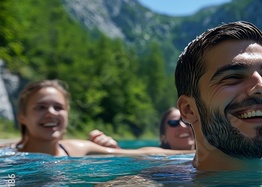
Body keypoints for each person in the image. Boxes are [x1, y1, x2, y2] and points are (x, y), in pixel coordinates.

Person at [14, 79, 189, 157]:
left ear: (67, 115)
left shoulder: (77, 149)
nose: (51, 113)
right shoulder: (9, 155)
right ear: (22, 117)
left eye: (58, 107)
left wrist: (197, 154)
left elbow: (142, 153)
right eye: (40, 107)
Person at [88, 107, 196, 150]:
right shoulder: (157, 156)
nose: (182, 126)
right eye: (173, 123)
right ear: (164, 136)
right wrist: (112, 148)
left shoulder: (211, 154)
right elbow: (130, 157)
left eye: (186, 121)